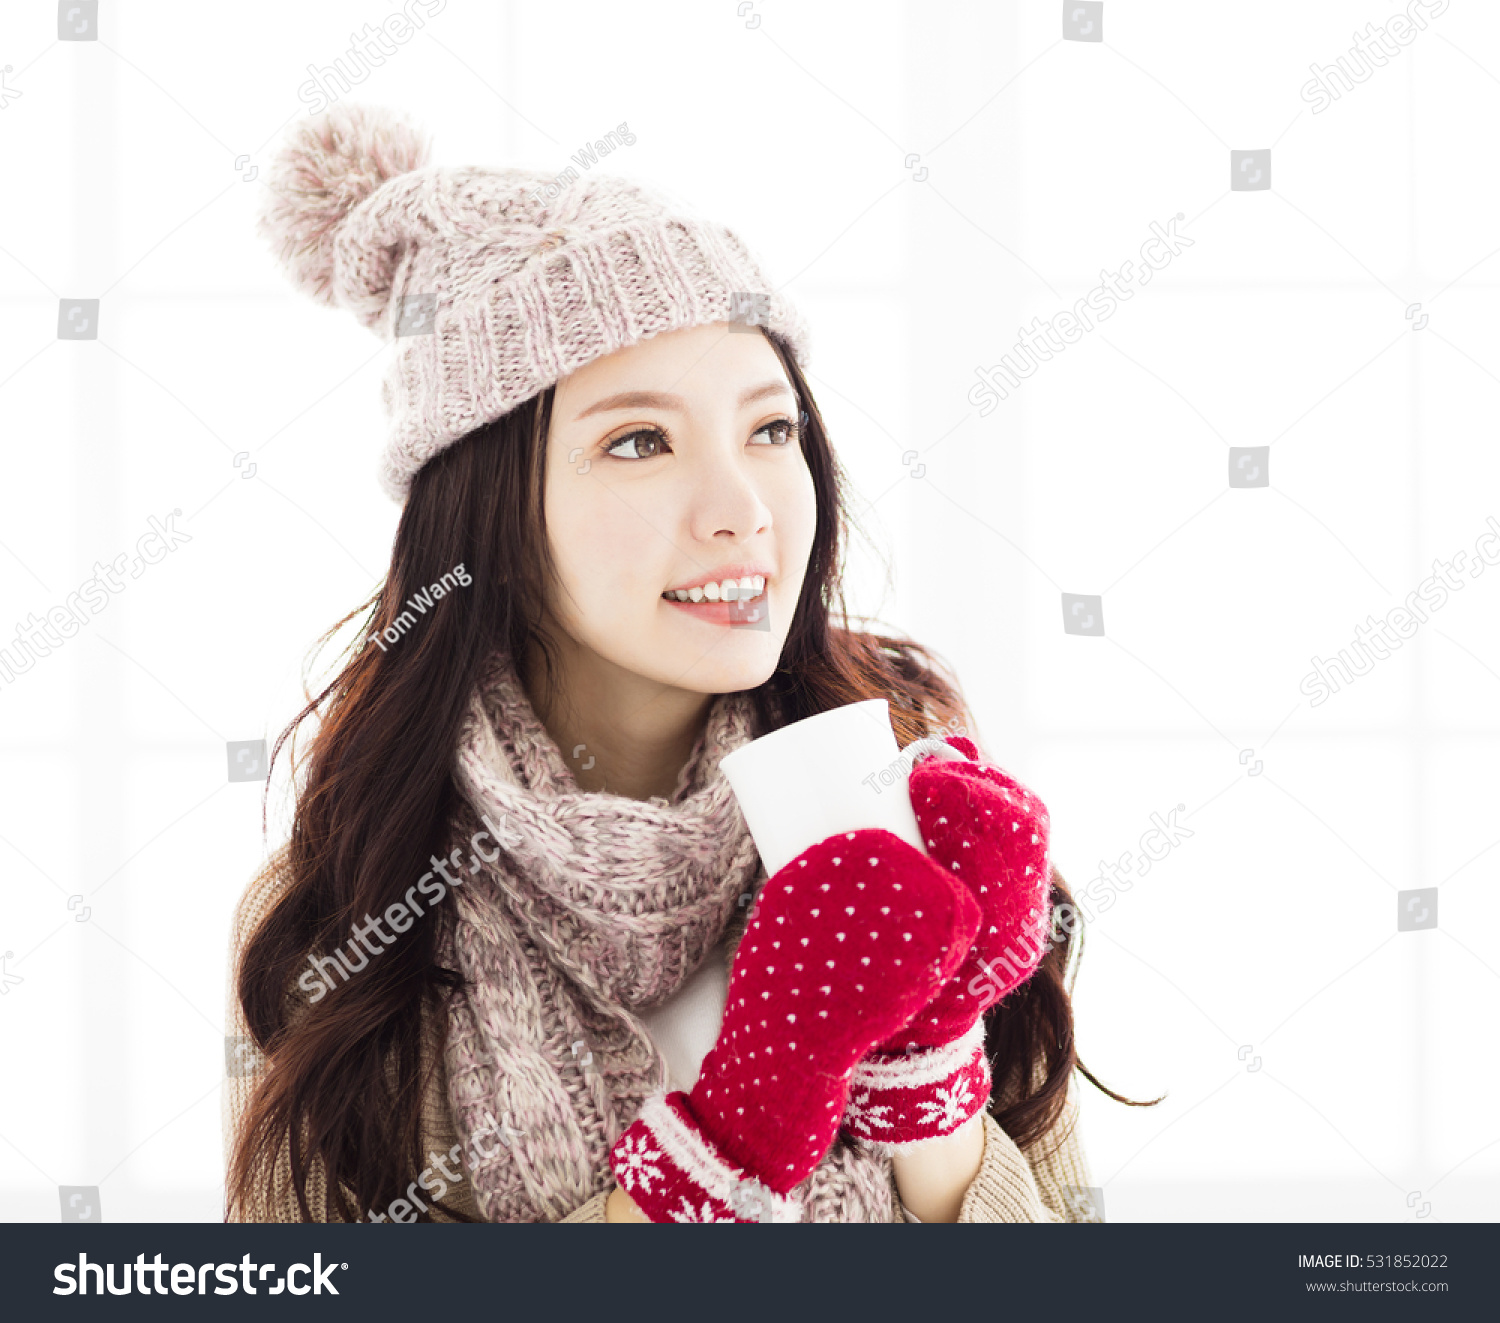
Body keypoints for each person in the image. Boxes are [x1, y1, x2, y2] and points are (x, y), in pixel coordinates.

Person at [224, 102, 1155, 1225]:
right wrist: (738, 1130)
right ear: (488, 512)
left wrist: (933, 1060)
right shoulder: (347, 902)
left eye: (769, 430)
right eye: (639, 442)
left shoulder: (916, 812)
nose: (743, 510)